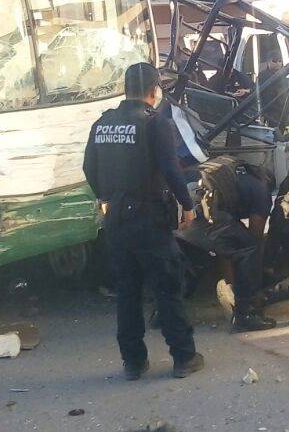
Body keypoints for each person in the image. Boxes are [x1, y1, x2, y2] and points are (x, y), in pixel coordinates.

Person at [83, 62, 204, 380]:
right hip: (149, 218)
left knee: (127, 291)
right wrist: (187, 206)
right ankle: (184, 357)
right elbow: (171, 169)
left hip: (117, 218)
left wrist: (106, 196)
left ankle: (133, 362)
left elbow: (88, 168)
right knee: (167, 287)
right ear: (154, 91)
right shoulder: (155, 124)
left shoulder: (103, 123)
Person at [180, 159, 279, 333]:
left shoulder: (235, 176)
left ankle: (162, 313)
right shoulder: (261, 192)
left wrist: (230, 283)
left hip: (187, 209)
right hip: (205, 213)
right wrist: (254, 290)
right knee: (249, 246)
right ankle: (245, 316)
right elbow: (254, 241)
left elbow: (225, 247)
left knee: (231, 241)